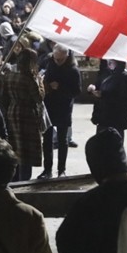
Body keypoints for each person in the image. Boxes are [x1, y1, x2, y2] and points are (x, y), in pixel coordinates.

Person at [0, 49, 46, 182]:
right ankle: (24, 179)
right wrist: (41, 83)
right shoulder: (29, 79)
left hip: (13, 111)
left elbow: (4, 97)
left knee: (15, 146)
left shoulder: (9, 75)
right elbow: (38, 98)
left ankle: (14, 177)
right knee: (26, 150)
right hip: (27, 114)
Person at [41, 44, 81, 179]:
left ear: (66, 57)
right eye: (55, 58)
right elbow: (45, 80)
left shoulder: (73, 70)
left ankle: (61, 170)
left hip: (63, 108)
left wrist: (60, 87)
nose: (57, 61)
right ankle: (47, 170)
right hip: (49, 106)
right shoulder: (50, 63)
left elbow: (76, 91)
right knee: (47, 140)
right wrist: (48, 85)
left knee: (62, 140)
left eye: (60, 59)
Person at [89, 60, 127, 140]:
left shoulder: (125, 76)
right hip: (103, 116)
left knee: (115, 144)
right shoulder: (105, 73)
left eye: (112, 61)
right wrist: (93, 88)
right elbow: (99, 84)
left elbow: (123, 98)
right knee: (100, 144)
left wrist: (103, 95)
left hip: (116, 117)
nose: (109, 63)